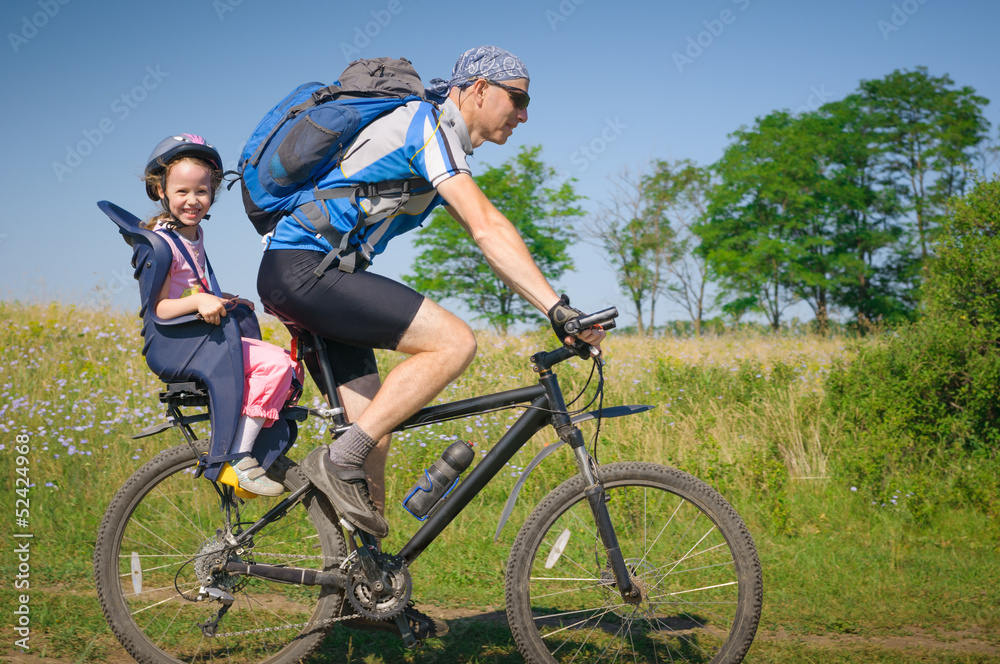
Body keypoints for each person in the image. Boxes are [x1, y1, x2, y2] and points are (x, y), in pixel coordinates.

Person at [256, 46, 604, 635]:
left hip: (320, 276)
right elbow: (486, 226)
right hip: (306, 270)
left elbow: (483, 236)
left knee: (375, 437)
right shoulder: (426, 125)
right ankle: (335, 461)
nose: (523, 114)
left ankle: (363, 594)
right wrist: (557, 308)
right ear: (475, 90)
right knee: (454, 343)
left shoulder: (439, 139)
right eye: (517, 98)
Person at [143, 133, 302, 497]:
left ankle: (247, 451)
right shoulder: (161, 242)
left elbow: (188, 287)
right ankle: (237, 457)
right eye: (181, 191)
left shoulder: (191, 235)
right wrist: (198, 303)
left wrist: (219, 297)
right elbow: (159, 307)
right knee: (276, 366)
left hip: (199, 337)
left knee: (288, 367)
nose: (192, 200)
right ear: (160, 191)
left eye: (201, 191)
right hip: (179, 343)